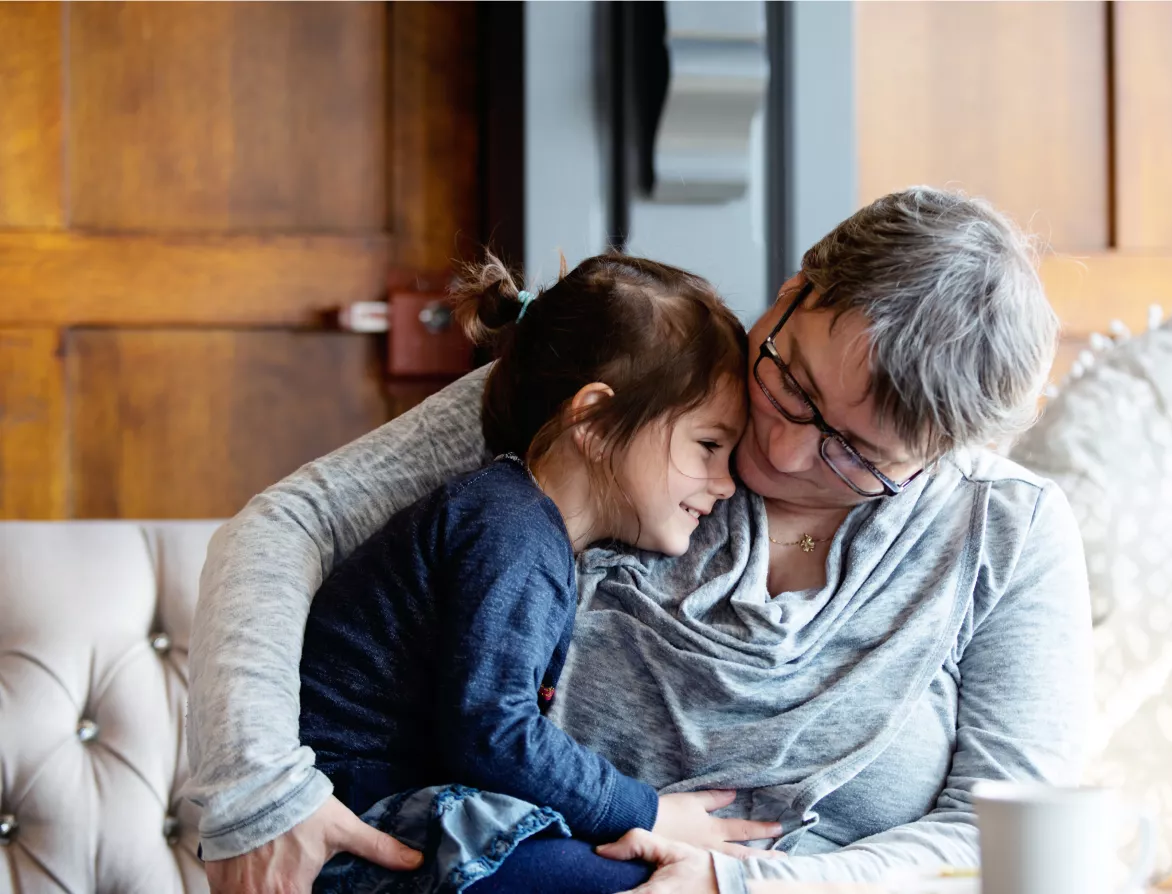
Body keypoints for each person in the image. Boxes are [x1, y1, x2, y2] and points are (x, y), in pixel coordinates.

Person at [186, 187, 1093, 894]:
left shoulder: (1003, 533)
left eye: (855, 453)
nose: (775, 450)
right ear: (793, 289)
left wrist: (745, 884)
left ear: (940, 457)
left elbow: (1005, 838)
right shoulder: (638, 392)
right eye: (792, 384)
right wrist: (260, 793)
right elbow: (287, 524)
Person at [295, 254, 786, 893]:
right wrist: (650, 812)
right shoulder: (511, 530)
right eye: (708, 446)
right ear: (594, 420)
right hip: (360, 823)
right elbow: (493, 735)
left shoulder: (523, 523)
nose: (726, 483)